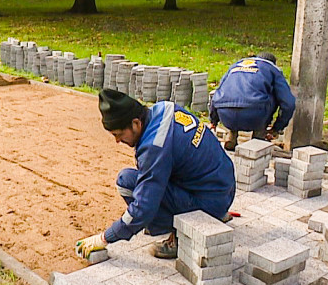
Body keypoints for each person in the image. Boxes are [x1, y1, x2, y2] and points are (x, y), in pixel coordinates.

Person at [76, 89, 236, 260]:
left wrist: (105, 237)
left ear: (136, 123)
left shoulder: (155, 145)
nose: (117, 141)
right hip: (224, 187)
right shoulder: (163, 108)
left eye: (119, 134)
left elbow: (144, 206)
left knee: (128, 184)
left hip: (211, 199)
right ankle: (215, 213)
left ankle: (183, 236)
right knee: (134, 179)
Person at [208, 52, 296, 151]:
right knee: (272, 95)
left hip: (226, 116)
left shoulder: (235, 66)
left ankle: (231, 135)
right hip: (255, 116)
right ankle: (259, 138)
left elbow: (217, 93)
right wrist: (277, 128)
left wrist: (213, 121)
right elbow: (289, 103)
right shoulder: (273, 69)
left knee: (232, 94)